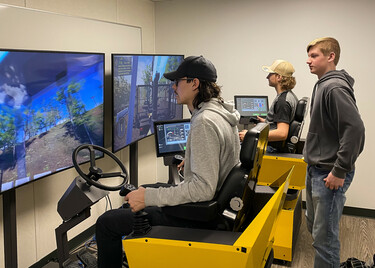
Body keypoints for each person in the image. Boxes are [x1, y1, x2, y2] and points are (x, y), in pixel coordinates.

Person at [96, 55, 241, 267]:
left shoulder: (204, 122)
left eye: (177, 82)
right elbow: (221, 157)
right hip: (214, 205)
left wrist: (149, 198)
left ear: (194, 83)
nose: (173, 87)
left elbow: (203, 189)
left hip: (200, 214)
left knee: (106, 222)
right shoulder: (222, 113)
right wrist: (192, 161)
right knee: (146, 188)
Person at [304, 37, 365, 268]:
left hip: (330, 174)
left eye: (314, 56)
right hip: (316, 169)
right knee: (315, 227)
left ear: (331, 57)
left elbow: (355, 129)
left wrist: (339, 170)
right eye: (308, 56)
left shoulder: (334, 87)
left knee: (325, 239)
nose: (308, 61)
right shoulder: (321, 84)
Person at [239, 60, 298, 153]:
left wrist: (251, 135)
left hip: (271, 148)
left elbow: (282, 133)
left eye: (270, 74)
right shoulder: (290, 96)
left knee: (235, 149)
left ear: (279, 77)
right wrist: (267, 122)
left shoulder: (282, 101)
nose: (267, 77)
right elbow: (283, 121)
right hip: (272, 145)